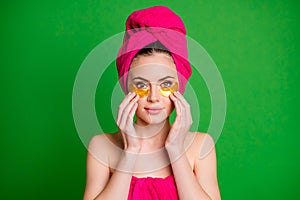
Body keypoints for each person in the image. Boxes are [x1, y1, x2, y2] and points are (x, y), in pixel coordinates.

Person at [83, 6, 221, 200]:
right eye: (141, 84)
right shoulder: (102, 147)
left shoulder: (200, 146)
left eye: (165, 84)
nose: (154, 97)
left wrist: (175, 151)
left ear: (179, 87)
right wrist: (130, 153)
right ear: (127, 87)